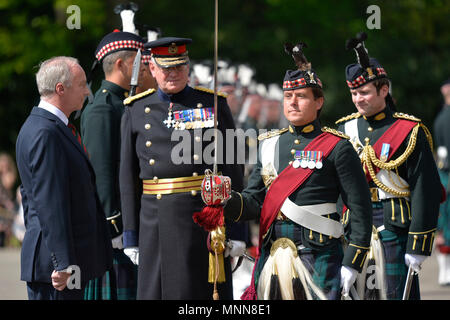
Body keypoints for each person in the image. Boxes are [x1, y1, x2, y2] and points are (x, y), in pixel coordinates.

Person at [209, 42, 373, 300]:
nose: (293, 103)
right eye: (288, 97)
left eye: (301, 96)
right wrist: (225, 200)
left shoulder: (337, 147)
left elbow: (360, 208)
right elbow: (253, 202)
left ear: (319, 101)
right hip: (273, 252)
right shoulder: (269, 143)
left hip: (320, 252)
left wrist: (353, 261)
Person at [119, 37, 246, 299]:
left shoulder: (213, 104)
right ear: (152, 69)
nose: (173, 74)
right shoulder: (135, 110)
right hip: (154, 219)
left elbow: (232, 170)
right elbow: (127, 179)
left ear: (188, 68)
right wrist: (130, 235)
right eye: (166, 68)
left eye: (179, 67)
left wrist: (238, 229)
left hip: (202, 219)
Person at [336, 32, 442, 299]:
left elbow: (424, 189)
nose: (358, 99)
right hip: (354, 225)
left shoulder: (408, 130)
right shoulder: (344, 130)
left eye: (364, 92)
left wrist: (418, 243)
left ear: (384, 90)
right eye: (353, 93)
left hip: (393, 225)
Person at [16, 56, 113, 300]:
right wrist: (62, 262)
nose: (87, 90)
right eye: (81, 84)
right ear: (61, 89)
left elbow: (32, 198)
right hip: (58, 269)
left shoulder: (47, 126)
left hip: (60, 262)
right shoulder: (45, 132)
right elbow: (49, 202)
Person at [80, 30, 146, 300]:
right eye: (140, 61)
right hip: (115, 237)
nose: (145, 68)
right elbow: (103, 173)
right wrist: (116, 226)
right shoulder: (103, 109)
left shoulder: (124, 103)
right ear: (122, 64)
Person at [434, 78, 450, 286]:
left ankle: (444, 271)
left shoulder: (440, 118)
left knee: (444, 223)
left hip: (444, 173)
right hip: (446, 172)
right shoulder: (443, 118)